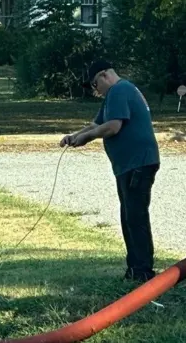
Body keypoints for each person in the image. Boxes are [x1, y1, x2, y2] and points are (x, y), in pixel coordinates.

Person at [61, 59, 161, 282]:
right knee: (128, 216)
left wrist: (86, 138)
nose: (96, 91)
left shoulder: (119, 90)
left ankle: (143, 271)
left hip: (138, 162)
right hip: (128, 165)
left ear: (105, 75)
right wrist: (76, 135)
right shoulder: (114, 96)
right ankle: (135, 268)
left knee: (135, 216)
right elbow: (96, 125)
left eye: (96, 84)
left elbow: (113, 127)